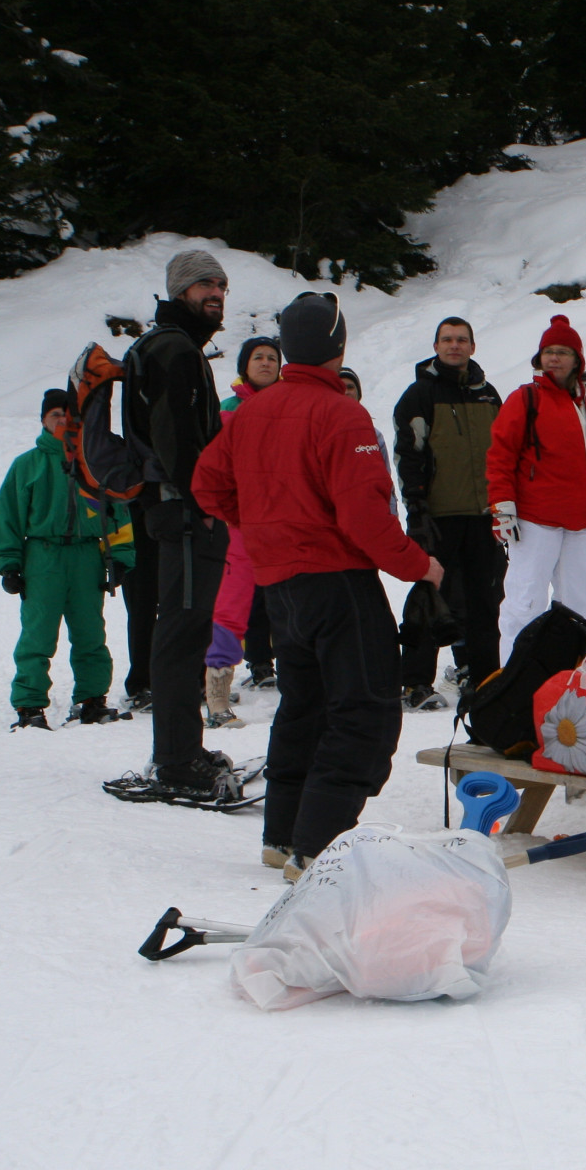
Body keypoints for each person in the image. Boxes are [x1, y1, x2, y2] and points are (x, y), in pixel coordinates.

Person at [193, 292, 444, 877]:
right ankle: (315, 846)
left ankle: (283, 835)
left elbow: (207, 486)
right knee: (363, 711)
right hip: (336, 582)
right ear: (338, 345)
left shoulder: (252, 409)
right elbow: (363, 517)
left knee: (304, 706)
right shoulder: (342, 415)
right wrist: (418, 566)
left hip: (281, 586)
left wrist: (265, 527)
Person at [122, 249, 232, 795]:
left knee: (183, 628)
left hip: (173, 509)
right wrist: (205, 503)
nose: (215, 291)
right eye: (204, 284)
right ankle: (176, 761)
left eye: (220, 284)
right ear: (180, 289)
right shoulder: (174, 350)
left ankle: (182, 747)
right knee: (182, 631)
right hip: (185, 511)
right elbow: (177, 441)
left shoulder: (170, 346)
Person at [0, 390, 136, 730]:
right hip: (42, 557)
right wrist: (8, 563)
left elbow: (116, 515)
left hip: (87, 556)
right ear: (43, 419)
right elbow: (7, 517)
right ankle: (30, 706)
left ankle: (91, 699)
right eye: (56, 414)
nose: (63, 421)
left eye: (69, 415)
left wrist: (119, 558)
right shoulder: (28, 465)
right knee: (38, 635)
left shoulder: (94, 465)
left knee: (89, 633)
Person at [486, 315, 586, 648]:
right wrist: (502, 506)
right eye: (549, 351)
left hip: (584, 522)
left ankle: (578, 682)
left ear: (577, 359)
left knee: (584, 608)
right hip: (536, 520)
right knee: (525, 605)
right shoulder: (525, 399)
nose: (554, 358)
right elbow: (500, 455)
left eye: (562, 352)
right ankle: (514, 682)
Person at [393, 317, 505, 708]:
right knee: (431, 596)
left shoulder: (488, 395)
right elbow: (409, 454)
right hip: (438, 515)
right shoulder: (419, 394)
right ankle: (415, 681)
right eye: (447, 340)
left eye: (461, 340)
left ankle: (486, 675)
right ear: (436, 346)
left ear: (472, 347)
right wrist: (417, 507)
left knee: (484, 600)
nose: (454, 346)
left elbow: (503, 454)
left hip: (483, 515)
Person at [203, 336, 279, 729]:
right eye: (258, 357)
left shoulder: (289, 407)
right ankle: (216, 694)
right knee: (232, 605)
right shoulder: (228, 411)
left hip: (284, 522)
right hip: (241, 524)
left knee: (292, 605)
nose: (266, 363)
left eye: (272, 358)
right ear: (244, 365)